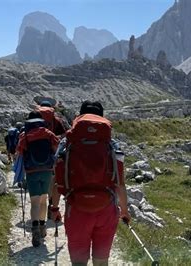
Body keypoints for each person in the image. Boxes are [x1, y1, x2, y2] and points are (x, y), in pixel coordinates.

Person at [51, 101, 130, 265]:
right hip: (106, 210)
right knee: (101, 261)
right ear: (102, 118)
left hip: (77, 209)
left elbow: (57, 179)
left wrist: (55, 208)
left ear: (79, 117)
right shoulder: (111, 145)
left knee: (79, 262)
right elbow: (120, 183)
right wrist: (124, 211)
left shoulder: (67, 143)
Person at [16, 111, 59, 247]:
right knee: (44, 199)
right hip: (47, 170)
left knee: (34, 202)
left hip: (32, 171)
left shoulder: (25, 135)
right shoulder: (48, 133)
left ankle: (34, 228)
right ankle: (42, 227)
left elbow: (19, 152)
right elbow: (56, 148)